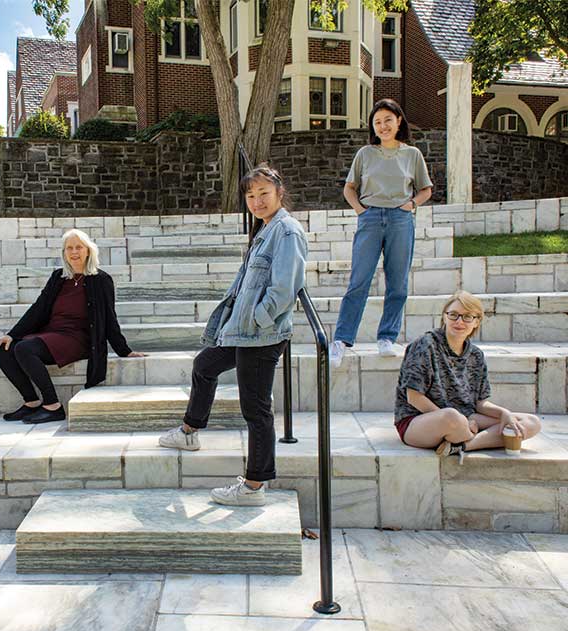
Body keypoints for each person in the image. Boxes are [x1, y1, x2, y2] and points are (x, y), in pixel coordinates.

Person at [159, 165, 308, 506]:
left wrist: (258, 318)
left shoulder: (287, 232)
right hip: (242, 332)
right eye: (251, 196)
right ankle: (189, 432)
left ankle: (254, 486)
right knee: (204, 365)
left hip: (261, 335)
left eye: (263, 194)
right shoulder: (265, 230)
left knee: (255, 411)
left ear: (279, 194)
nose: (256, 201)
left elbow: (285, 289)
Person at [0, 228, 144, 424]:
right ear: (64, 253)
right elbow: (38, 309)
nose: (74, 252)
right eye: (69, 248)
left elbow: (109, 318)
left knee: (24, 348)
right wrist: (11, 334)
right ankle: (30, 401)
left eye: (79, 247)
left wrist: (124, 350)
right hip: (53, 334)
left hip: (78, 338)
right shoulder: (58, 277)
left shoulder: (101, 280)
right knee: (4, 348)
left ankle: (53, 406)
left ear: (88, 250)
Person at [330, 98, 433, 368]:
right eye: (377, 122)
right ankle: (341, 339)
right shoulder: (365, 154)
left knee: (397, 283)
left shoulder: (412, 155)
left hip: (401, 219)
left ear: (399, 121)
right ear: (373, 127)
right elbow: (349, 187)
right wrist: (360, 211)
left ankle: (387, 337)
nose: (383, 126)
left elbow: (426, 189)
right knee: (359, 280)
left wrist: (411, 205)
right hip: (371, 218)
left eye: (388, 120)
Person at [395, 291, 541, 461]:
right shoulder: (425, 345)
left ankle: (462, 445)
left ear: (477, 321)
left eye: (467, 317)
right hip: (420, 421)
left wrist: (504, 413)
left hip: (466, 418)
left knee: (530, 422)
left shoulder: (476, 355)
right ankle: (469, 435)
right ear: (444, 316)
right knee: (451, 417)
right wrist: (461, 422)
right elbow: (414, 398)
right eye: (453, 315)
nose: (459, 322)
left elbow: (480, 403)